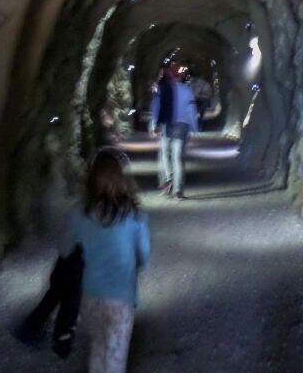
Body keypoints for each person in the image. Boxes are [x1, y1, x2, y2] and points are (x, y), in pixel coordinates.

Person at [60, 147, 150, 373]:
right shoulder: (135, 215)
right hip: (121, 297)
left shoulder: (80, 212)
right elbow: (144, 255)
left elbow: (64, 250)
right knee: (115, 357)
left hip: (89, 296)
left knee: (98, 349)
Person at [12, 245, 84, 358]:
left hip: (67, 262)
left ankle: (29, 329)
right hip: (75, 263)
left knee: (56, 295)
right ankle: (61, 343)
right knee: (69, 302)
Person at [149, 61, 199, 200]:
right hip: (181, 126)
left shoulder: (162, 89)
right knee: (178, 157)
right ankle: (178, 191)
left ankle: (169, 176)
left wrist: (153, 125)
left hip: (166, 125)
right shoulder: (186, 90)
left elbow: (156, 108)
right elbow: (191, 110)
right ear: (180, 76)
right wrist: (194, 128)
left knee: (165, 153)